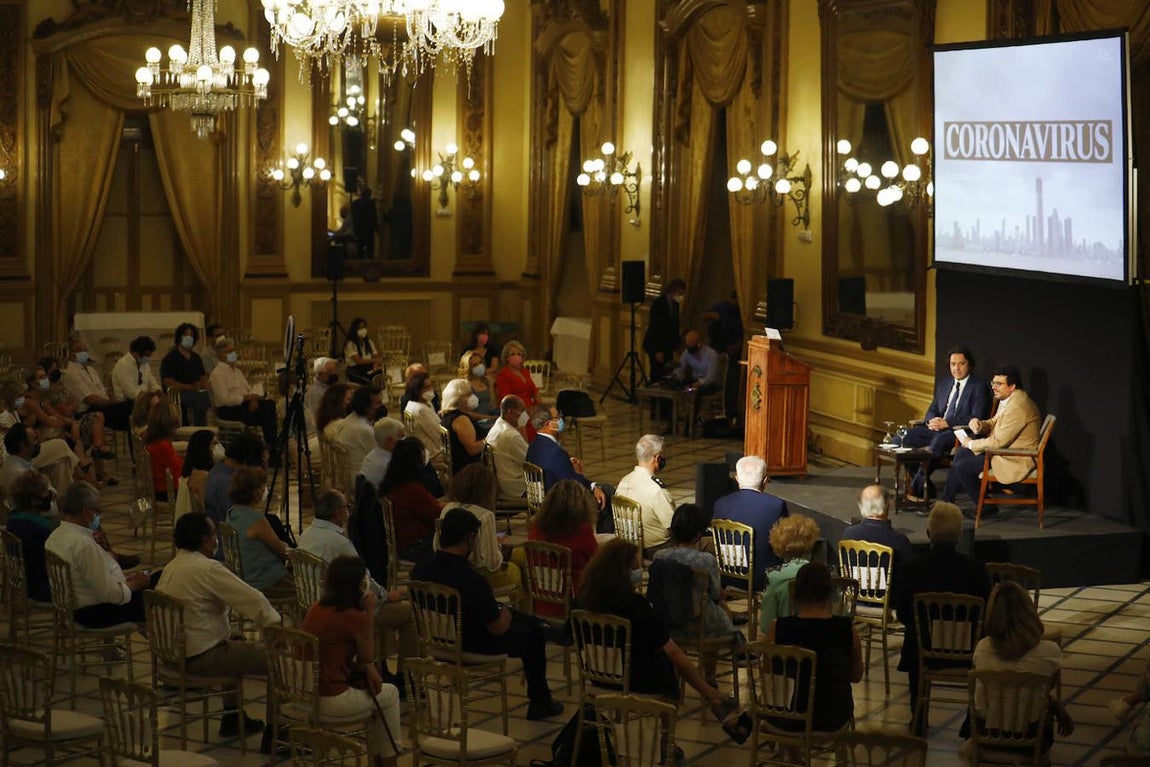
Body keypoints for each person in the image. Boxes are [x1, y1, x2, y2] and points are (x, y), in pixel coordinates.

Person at [410, 508, 564, 721]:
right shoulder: (471, 579)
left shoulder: (420, 570)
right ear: (469, 538)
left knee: (518, 617)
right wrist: (504, 616)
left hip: (437, 639)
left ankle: (543, 625)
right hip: (472, 643)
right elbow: (498, 628)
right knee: (532, 635)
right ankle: (540, 701)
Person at [577, 539, 741, 738]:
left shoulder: (582, 602)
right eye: (634, 568)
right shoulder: (635, 606)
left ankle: (712, 696)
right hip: (634, 680)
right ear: (625, 573)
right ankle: (667, 740)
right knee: (668, 664)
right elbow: (671, 651)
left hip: (597, 675)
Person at [157, 512, 279, 740]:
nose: (216, 539)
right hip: (201, 658)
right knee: (278, 659)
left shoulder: (172, 566)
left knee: (234, 641)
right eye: (213, 534)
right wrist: (277, 628)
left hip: (173, 654)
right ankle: (277, 733)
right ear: (205, 540)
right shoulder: (207, 569)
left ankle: (233, 717)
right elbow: (253, 600)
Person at [297, 491, 418, 691]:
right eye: (347, 507)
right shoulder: (339, 542)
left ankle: (382, 668)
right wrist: (387, 595)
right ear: (338, 513)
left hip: (315, 604)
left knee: (382, 606)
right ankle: (408, 680)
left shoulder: (307, 533)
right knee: (406, 614)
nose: (349, 511)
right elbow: (363, 579)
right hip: (343, 606)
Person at [893, 501, 991, 725]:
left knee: (914, 634)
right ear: (959, 536)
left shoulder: (911, 569)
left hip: (922, 649)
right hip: (967, 647)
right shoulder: (975, 570)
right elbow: (987, 612)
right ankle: (972, 721)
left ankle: (918, 717)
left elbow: (903, 613)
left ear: (928, 533)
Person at [301, 555, 402, 767]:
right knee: (390, 694)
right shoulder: (352, 615)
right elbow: (368, 658)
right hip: (331, 698)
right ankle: (389, 761)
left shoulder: (315, 608)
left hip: (306, 694)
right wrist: (370, 614)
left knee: (378, 695)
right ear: (359, 584)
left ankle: (381, 760)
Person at [968, 581, 1073, 754]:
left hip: (986, 736)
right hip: (1031, 740)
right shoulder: (1050, 651)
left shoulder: (982, 648)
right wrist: (1057, 707)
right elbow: (1047, 689)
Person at [766, 562, 863, 733]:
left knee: (775, 699)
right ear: (829, 593)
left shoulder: (779, 627)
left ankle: (794, 757)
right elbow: (856, 676)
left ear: (795, 592)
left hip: (790, 716)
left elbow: (769, 672)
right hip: (834, 716)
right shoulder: (846, 628)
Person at [44, 481, 156, 627]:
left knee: (160, 577)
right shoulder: (83, 545)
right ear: (86, 511)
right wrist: (135, 584)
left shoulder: (56, 535)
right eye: (98, 511)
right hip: (95, 613)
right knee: (161, 587)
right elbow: (110, 594)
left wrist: (122, 581)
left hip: (74, 606)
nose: (98, 516)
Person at [943, 364, 1041, 511]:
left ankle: (986, 507)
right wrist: (980, 425)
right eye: (993, 383)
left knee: (962, 466)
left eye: (999, 384)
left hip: (1014, 457)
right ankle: (947, 502)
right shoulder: (1009, 399)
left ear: (1012, 386)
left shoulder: (1018, 407)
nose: (994, 387)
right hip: (1002, 452)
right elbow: (995, 421)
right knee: (962, 453)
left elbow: (998, 442)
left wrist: (971, 443)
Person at [901, 346, 992, 500]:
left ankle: (917, 487)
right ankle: (925, 485)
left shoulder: (979, 386)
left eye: (961, 364)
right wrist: (932, 420)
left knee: (940, 440)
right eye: (953, 364)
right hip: (936, 428)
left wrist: (947, 423)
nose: (956, 368)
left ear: (969, 365)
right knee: (903, 438)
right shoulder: (946, 383)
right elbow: (933, 408)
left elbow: (976, 416)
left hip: (959, 432)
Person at [651, 503, 744, 646]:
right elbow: (715, 596)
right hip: (700, 623)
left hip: (668, 621)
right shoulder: (706, 561)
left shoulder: (659, 556)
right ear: (699, 533)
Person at [435, 464, 521, 595]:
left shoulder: (448, 508)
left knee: (517, 557)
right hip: (477, 574)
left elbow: (437, 546)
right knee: (516, 570)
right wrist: (498, 548)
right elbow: (491, 563)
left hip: (448, 569)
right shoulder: (485, 515)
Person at [524, 405, 610, 531]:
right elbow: (574, 484)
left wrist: (567, 464)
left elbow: (552, 467)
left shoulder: (534, 445)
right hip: (559, 503)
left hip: (541, 499)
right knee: (607, 492)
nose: (561, 419)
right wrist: (593, 486)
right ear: (548, 423)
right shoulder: (556, 453)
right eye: (557, 417)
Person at [712, 455, 790, 590]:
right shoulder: (776, 506)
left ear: (737, 479)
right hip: (764, 577)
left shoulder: (721, 504)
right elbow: (784, 543)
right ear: (765, 480)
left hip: (727, 573)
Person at [527, 479, 599, 617]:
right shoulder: (581, 531)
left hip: (541, 597)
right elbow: (596, 562)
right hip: (574, 599)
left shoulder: (536, 529)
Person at [226, 466, 293, 599]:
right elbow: (280, 549)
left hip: (244, 576)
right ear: (256, 492)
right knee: (310, 589)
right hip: (266, 581)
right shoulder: (256, 520)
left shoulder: (232, 512)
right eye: (263, 486)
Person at [209, 336, 279, 448]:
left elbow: (248, 389)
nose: (233, 354)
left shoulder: (237, 371)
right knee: (267, 413)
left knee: (269, 406)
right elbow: (224, 399)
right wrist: (246, 399)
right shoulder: (218, 374)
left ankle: (271, 445)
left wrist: (254, 399)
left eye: (234, 350)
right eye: (229, 351)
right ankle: (272, 446)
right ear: (221, 354)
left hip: (245, 404)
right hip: (229, 409)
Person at [380, 437, 442, 561]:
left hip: (406, 542)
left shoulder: (392, 484)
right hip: (417, 545)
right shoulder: (412, 490)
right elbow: (438, 514)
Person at [758, 514, 821, 635]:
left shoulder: (774, 576)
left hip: (786, 641)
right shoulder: (823, 573)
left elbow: (766, 626)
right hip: (820, 637)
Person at [616, 434, 676, 555]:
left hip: (628, 546)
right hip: (658, 548)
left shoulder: (623, 482)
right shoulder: (656, 490)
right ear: (657, 458)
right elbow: (674, 525)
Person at [5, 470, 56, 602]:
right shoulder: (41, 528)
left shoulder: (13, 520)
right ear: (35, 499)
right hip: (44, 587)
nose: (48, 496)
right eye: (45, 492)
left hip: (25, 583)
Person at [61, 339, 132, 431]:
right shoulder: (71, 372)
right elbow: (89, 399)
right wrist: (110, 403)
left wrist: (112, 399)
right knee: (129, 409)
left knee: (129, 410)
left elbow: (103, 390)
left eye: (85, 350)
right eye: (79, 350)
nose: (83, 353)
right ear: (71, 353)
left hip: (104, 406)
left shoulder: (91, 370)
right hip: (89, 410)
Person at [840, 484, 914, 571]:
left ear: (861, 507)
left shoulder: (848, 535)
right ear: (887, 506)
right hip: (891, 584)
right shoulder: (899, 540)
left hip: (855, 584)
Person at [0, 419, 81, 496]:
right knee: (60, 446)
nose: (39, 444)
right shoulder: (21, 474)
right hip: (35, 508)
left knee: (61, 465)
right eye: (35, 440)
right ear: (23, 445)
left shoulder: (19, 462)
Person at [205, 432, 266, 526]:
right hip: (228, 534)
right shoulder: (228, 482)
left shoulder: (217, 470)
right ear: (247, 460)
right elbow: (237, 519)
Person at [160, 322, 211, 426]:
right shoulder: (170, 358)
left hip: (194, 391)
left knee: (205, 396)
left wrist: (203, 385)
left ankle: (199, 426)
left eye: (191, 336)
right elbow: (168, 382)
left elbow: (202, 376)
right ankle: (198, 427)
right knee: (201, 398)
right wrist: (189, 387)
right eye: (186, 335)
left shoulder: (196, 357)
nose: (189, 338)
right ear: (179, 337)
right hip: (177, 393)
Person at [333, 386, 384, 487]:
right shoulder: (364, 430)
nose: (382, 406)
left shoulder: (348, 420)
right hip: (363, 481)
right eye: (378, 403)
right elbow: (379, 458)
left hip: (347, 477)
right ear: (366, 407)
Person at [484, 395, 529, 500]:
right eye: (522, 411)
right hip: (516, 488)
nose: (525, 415)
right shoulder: (510, 435)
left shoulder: (498, 426)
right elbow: (532, 461)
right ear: (510, 412)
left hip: (504, 481)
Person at [642, 278, 685, 382]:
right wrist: (657, 350)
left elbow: (674, 326)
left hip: (668, 345)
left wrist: (677, 344)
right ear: (673, 291)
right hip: (656, 345)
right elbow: (655, 327)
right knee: (656, 374)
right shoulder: (658, 303)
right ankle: (655, 397)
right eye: (680, 293)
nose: (681, 296)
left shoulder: (675, 304)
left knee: (667, 373)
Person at [440, 378, 484, 475]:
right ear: (457, 399)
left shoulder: (448, 415)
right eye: (468, 395)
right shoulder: (461, 419)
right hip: (469, 471)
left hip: (459, 467)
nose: (472, 397)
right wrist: (492, 438)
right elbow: (472, 449)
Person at [144, 400, 183, 501]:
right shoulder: (163, 446)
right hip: (166, 491)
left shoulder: (154, 441)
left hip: (159, 488)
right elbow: (177, 473)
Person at [402, 372, 443, 468]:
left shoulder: (413, 403)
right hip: (432, 454)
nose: (431, 389)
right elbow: (439, 436)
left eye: (430, 386)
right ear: (417, 390)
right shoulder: (420, 410)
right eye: (427, 387)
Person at [176, 430, 216, 520]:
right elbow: (205, 508)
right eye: (213, 444)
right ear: (204, 448)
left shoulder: (190, 471)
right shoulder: (202, 476)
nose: (217, 447)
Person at [110, 336, 160, 403]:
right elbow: (131, 394)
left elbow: (152, 383)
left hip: (142, 400)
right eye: (146, 356)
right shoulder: (123, 365)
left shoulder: (144, 364)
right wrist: (150, 397)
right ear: (136, 352)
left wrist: (158, 391)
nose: (147, 358)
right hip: (126, 403)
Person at [359, 417, 404, 490]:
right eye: (401, 437)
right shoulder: (387, 464)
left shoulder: (373, 455)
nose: (404, 441)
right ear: (390, 441)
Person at [493, 341, 540, 410]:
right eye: (512, 354)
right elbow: (507, 402)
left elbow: (535, 392)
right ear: (507, 358)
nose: (516, 356)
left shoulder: (525, 372)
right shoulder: (503, 375)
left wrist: (536, 407)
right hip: (516, 412)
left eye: (519, 354)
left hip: (531, 409)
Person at [458, 350, 498, 423]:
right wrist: (488, 417)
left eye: (480, 363)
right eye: (474, 365)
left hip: (491, 417)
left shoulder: (486, 381)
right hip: (477, 422)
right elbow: (466, 412)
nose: (479, 366)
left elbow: (492, 404)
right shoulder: (465, 385)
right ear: (468, 368)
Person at [306, 357, 338, 437]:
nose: (334, 374)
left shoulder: (331, 387)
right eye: (331, 372)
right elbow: (315, 418)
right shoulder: (314, 393)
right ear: (320, 374)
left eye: (335, 370)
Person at [344, 318, 382, 385]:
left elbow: (376, 355)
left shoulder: (369, 341)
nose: (363, 330)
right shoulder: (350, 344)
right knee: (368, 381)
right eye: (360, 328)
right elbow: (359, 361)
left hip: (368, 367)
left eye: (364, 327)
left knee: (381, 372)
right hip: (355, 369)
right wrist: (374, 360)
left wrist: (375, 364)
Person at [351, 185, 379, 260]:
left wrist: (354, 230)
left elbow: (353, 218)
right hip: (369, 230)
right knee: (370, 251)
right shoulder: (371, 203)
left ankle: (359, 267)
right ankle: (370, 267)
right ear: (368, 194)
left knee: (359, 251)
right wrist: (377, 228)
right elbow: (374, 216)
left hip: (359, 230)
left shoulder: (355, 204)